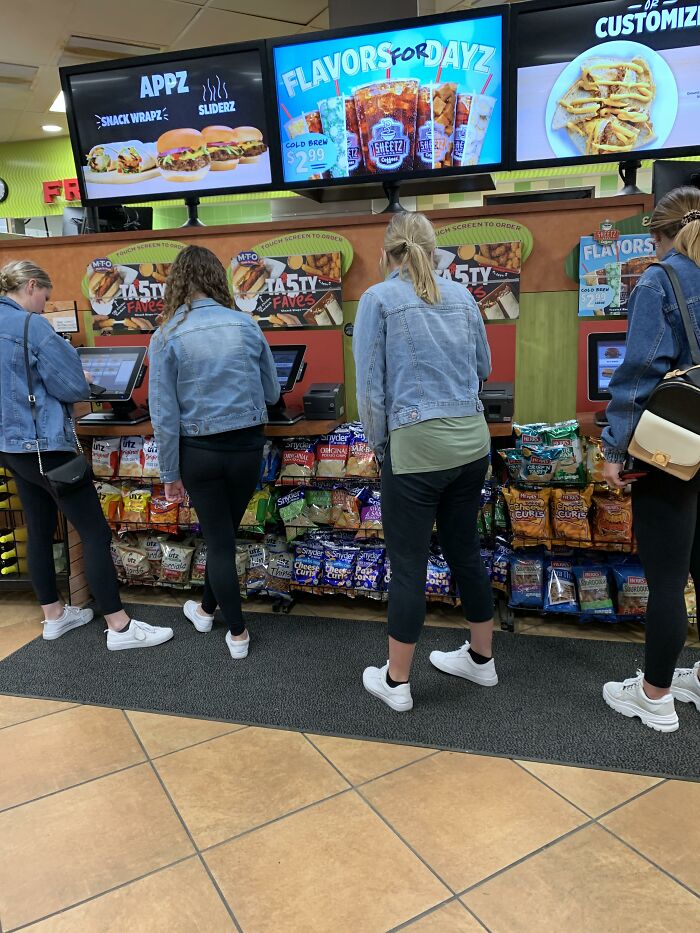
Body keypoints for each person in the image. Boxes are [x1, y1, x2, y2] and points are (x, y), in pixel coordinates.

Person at [353, 212, 495, 712]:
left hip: (415, 451)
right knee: (466, 551)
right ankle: (482, 661)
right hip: (472, 445)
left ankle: (397, 683)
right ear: (435, 251)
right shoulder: (463, 296)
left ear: (388, 251)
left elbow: (370, 391)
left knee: (409, 565)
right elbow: (484, 368)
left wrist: (384, 450)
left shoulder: (378, 299)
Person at [0, 260, 173, 649]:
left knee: (40, 529)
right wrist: (86, 380)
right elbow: (72, 386)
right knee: (94, 532)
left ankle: (54, 616)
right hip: (46, 447)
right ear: (31, 286)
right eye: (44, 296)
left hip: (10, 449)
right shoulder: (31, 326)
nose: (45, 305)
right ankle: (120, 627)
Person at [149, 245, 279, 659]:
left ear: (177, 284)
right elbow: (273, 391)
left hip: (199, 453)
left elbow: (164, 416)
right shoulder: (245, 324)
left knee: (219, 540)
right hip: (246, 449)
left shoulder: (166, 334)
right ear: (217, 279)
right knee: (224, 534)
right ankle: (205, 609)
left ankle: (238, 633)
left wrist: (169, 474)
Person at [602, 186, 700, 733]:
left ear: (659, 235)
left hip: (674, 449)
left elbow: (639, 376)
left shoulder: (661, 279)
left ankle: (655, 696)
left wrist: (615, 448)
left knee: (667, 580)